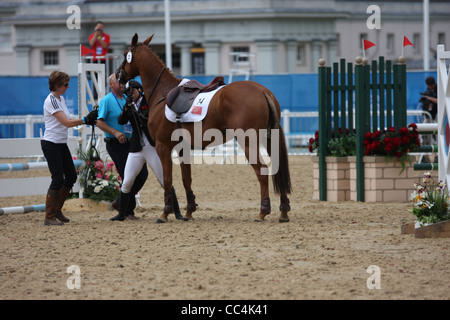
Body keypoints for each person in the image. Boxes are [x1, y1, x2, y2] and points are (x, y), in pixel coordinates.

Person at [112, 80, 186, 222]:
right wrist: (127, 108)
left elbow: (150, 118)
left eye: (132, 91)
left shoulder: (149, 102)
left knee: (164, 181)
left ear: (139, 90)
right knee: (127, 182)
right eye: (128, 93)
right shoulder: (129, 105)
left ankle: (177, 213)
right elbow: (121, 121)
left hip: (152, 147)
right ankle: (121, 214)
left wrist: (138, 111)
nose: (131, 94)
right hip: (136, 148)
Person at [41, 71, 98, 226]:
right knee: (58, 179)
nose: (68, 87)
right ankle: (49, 216)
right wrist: (86, 119)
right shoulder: (51, 101)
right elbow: (66, 123)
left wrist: (86, 121)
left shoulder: (61, 99)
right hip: (51, 144)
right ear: (58, 85)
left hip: (60, 143)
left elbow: (68, 120)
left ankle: (57, 210)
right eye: (66, 84)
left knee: (71, 176)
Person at [96, 74, 149, 220]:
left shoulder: (128, 99)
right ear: (111, 85)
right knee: (128, 177)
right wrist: (115, 132)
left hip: (132, 142)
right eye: (119, 82)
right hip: (116, 144)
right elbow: (99, 122)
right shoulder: (107, 100)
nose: (122, 85)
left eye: (123, 82)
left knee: (143, 174)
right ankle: (128, 211)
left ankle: (120, 202)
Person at [419, 76, 438, 163]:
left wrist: (428, 98)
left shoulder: (439, 89)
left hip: (437, 113)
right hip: (428, 115)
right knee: (425, 134)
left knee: (437, 135)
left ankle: (437, 155)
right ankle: (425, 155)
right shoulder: (428, 91)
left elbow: (439, 100)